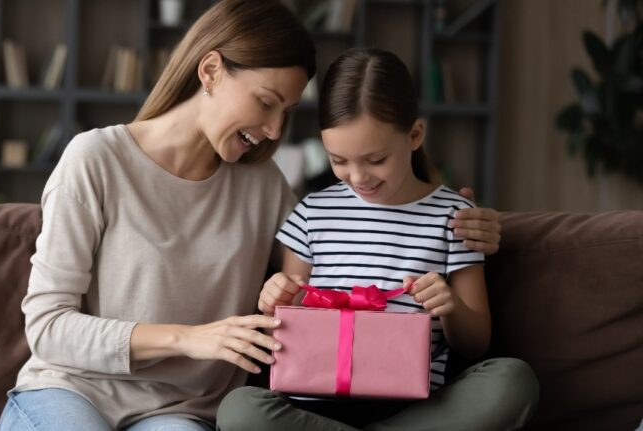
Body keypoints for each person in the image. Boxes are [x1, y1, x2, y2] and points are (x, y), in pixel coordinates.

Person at [0, 1, 504, 429]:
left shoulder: (266, 189)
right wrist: (191, 338)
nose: (273, 129)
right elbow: (47, 326)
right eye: (266, 103)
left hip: (179, 411)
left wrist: (476, 222)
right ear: (211, 71)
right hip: (71, 390)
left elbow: (354, 233)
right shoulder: (96, 159)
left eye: (287, 112)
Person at [216, 48, 539, 431]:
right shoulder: (311, 212)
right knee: (240, 410)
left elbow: (475, 344)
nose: (358, 177)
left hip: (414, 409)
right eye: (338, 160)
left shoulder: (455, 218)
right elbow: (289, 324)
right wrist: (277, 301)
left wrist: (449, 306)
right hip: (317, 405)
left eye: (376, 159)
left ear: (415, 134)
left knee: (512, 381)